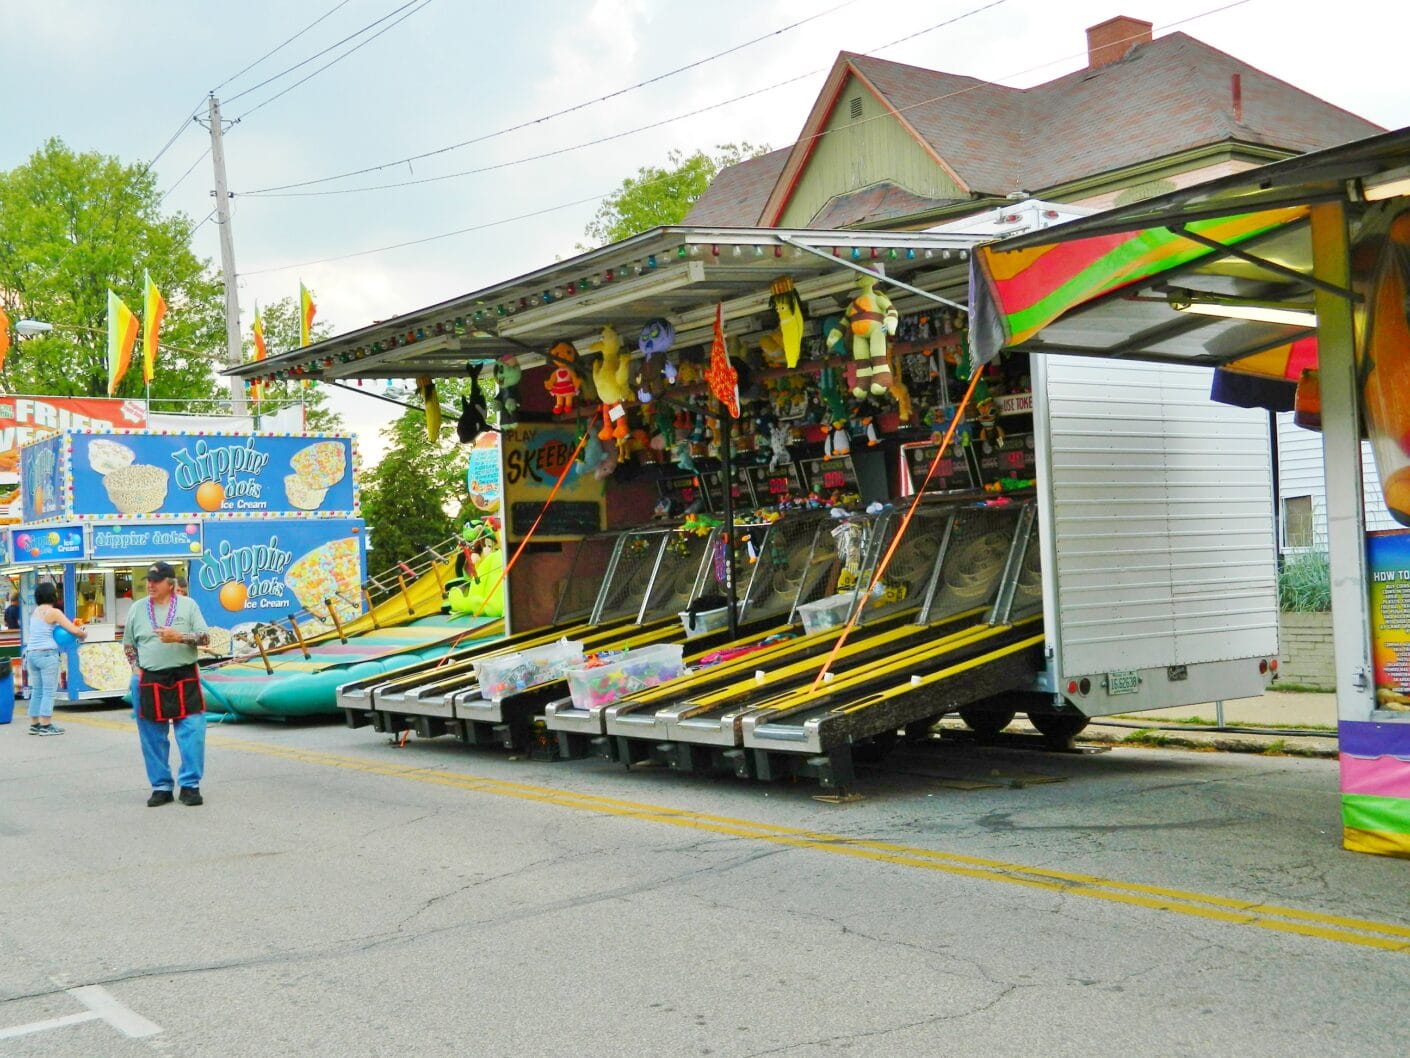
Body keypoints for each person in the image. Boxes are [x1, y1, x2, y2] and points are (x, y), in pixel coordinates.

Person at [122, 561, 211, 807]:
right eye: (148, 581)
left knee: (192, 732)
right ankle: (161, 786)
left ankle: (190, 785)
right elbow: (129, 644)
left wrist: (180, 636)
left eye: (156, 581)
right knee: (152, 736)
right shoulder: (138, 609)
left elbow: (205, 637)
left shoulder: (188, 606)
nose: (150, 585)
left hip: (184, 675)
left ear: (170, 584)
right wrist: (135, 668)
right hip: (149, 678)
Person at [26, 582, 88, 735]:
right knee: (48, 691)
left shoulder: (35, 612)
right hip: (47, 655)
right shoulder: (53, 612)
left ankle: (35, 724)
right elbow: (72, 630)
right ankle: (46, 726)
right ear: (52, 595)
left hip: (32, 654)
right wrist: (83, 633)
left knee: (38, 690)